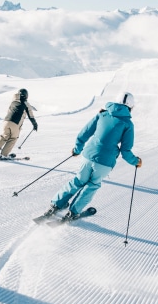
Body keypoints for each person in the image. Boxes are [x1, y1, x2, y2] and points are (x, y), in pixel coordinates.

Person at [41, 91, 142, 221]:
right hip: (105, 161)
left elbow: (84, 133)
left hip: (88, 155)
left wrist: (77, 149)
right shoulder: (128, 124)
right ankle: (73, 211)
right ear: (130, 107)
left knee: (78, 180)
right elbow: (126, 151)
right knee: (92, 184)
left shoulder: (102, 114)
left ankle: (56, 205)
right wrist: (136, 161)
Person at [0, 88, 38, 159]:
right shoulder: (26, 104)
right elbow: (31, 116)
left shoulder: (13, 101)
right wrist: (35, 125)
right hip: (15, 123)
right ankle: (4, 155)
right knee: (13, 138)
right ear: (26, 96)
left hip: (6, 122)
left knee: (4, 136)